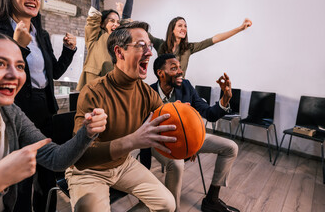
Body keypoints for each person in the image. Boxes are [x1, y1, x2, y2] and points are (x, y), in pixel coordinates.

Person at [0, 30, 106, 212]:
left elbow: (55, 159)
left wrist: (87, 133)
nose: (14, 75)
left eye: (20, 66)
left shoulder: (10, 114)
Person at [0, 0, 77, 211]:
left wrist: (68, 51)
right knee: (20, 180)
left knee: (47, 175)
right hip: (14, 112)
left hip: (45, 110)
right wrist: (17, 45)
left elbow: (54, 73)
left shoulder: (42, 34)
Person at [65, 21, 178, 212]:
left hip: (123, 164)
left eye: (149, 46)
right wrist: (133, 141)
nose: (150, 52)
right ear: (119, 52)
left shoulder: (147, 93)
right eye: (141, 45)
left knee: (167, 204)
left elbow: (169, 122)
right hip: (88, 171)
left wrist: (187, 124)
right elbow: (81, 157)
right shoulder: (93, 91)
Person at [140, 54, 239, 212]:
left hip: (190, 137)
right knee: (177, 163)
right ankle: (173, 209)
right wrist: (144, 174)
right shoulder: (147, 92)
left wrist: (225, 100)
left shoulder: (185, 86)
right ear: (161, 73)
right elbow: (143, 130)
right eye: (174, 68)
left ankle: (212, 200)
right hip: (159, 142)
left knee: (231, 147)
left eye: (180, 67)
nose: (180, 71)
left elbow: (209, 113)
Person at [76, 0, 136, 90]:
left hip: (114, 88)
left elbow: (126, 20)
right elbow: (94, 13)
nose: (115, 24)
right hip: (94, 89)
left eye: (117, 22)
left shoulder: (120, 40)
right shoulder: (95, 38)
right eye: (111, 21)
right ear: (102, 23)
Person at [149, 17, 252, 76]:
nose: (184, 28)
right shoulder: (160, 45)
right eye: (180, 25)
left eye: (185, 26)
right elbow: (144, 32)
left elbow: (216, 38)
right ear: (172, 29)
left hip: (180, 89)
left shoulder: (188, 48)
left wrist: (240, 28)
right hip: (163, 89)